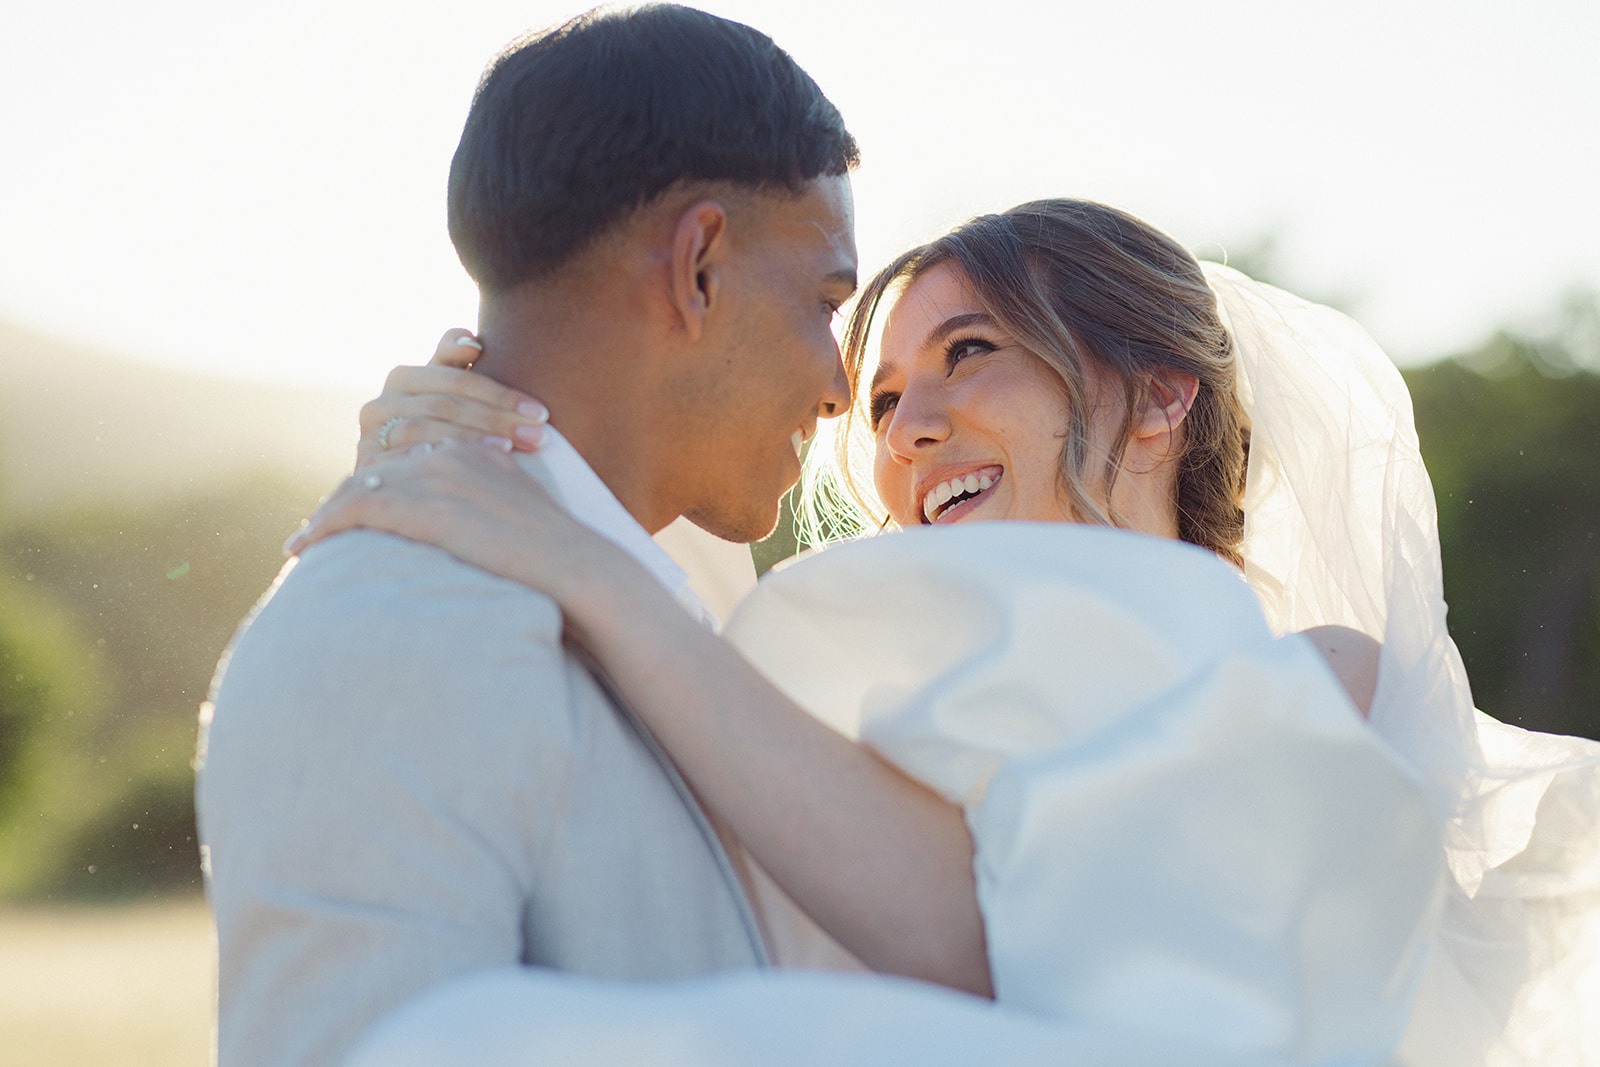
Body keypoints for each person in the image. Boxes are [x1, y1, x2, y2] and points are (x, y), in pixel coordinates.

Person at [295, 199, 1576, 1065]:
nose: (906, 427)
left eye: (972, 354)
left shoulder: (1315, 677)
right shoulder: (843, 657)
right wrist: (498, 436)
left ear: (1159, 397)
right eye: (890, 393)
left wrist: (579, 561)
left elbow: (984, 937)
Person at [195, 8, 866, 1066]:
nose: (839, 388)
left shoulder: (696, 585)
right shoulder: (387, 634)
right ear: (698, 267)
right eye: (825, 302)